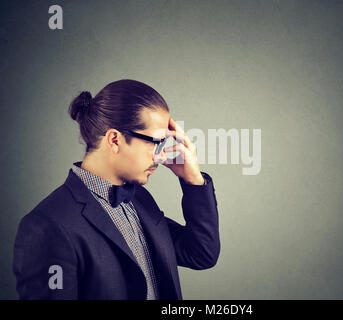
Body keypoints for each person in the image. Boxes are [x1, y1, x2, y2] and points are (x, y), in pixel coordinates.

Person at [13, 79, 220, 299]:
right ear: (114, 140)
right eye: (156, 143)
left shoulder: (139, 199)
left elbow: (201, 253)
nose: (160, 157)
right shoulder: (47, 226)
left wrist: (194, 181)